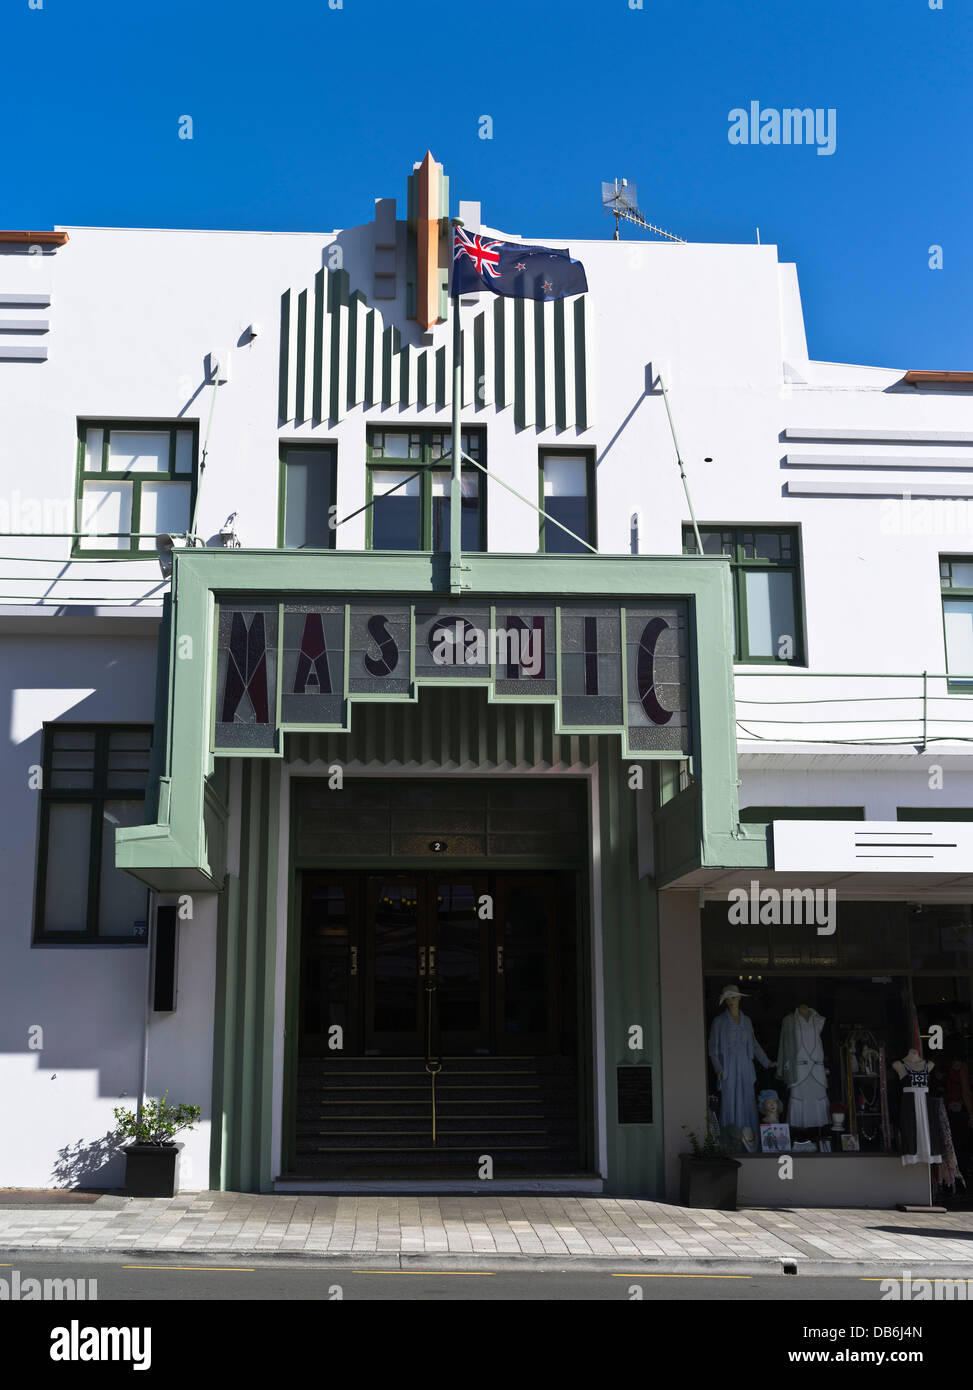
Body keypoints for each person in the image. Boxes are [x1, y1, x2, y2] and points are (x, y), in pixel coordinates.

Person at [708, 984, 774, 1136]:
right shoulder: (719, 1022)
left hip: (745, 1064)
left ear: (739, 998)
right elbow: (712, 1049)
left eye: (733, 997)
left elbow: (754, 1045)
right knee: (729, 1102)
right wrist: (718, 1067)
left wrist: (766, 1062)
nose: (731, 1001)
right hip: (728, 1066)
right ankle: (730, 1141)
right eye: (728, 998)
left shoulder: (747, 1021)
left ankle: (751, 1141)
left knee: (748, 1101)